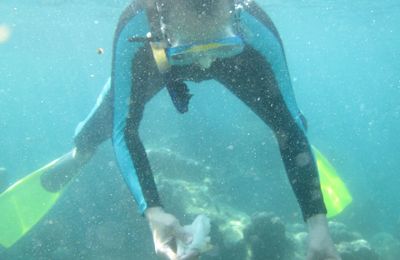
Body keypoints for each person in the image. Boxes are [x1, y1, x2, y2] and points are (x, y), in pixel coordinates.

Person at [41, 0, 340, 259]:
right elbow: (124, 130)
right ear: (160, 19)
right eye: (190, 52)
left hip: (227, 58)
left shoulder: (252, 22)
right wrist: (154, 213)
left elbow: (289, 125)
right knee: (101, 125)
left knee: (291, 123)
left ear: (234, 14)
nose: (205, 60)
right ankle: (80, 153)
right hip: (158, 56)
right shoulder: (135, 21)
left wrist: (318, 227)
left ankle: (208, 48)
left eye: (219, 46)